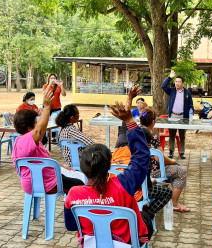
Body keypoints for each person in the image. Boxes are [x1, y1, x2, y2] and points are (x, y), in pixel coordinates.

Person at [64, 86, 153, 246]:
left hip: (92, 243)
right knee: (145, 217)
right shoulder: (124, 184)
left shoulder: (73, 194)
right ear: (109, 165)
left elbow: (71, 226)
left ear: (83, 169)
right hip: (125, 243)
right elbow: (141, 156)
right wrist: (129, 121)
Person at [12, 90, 84, 196]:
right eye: (36, 124)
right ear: (29, 128)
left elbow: (42, 159)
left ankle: (71, 208)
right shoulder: (24, 141)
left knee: (75, 176)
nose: (38, 126)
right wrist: (47, 107)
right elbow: (39, 131)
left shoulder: (27, 141)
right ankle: (73, 211)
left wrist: (60, 165)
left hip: (45, 179)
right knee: (78, 185)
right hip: (42, 183)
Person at [139, 108, 190, 212]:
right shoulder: (151, 136)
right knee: (180, 171)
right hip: (152, 172)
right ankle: (174, 204)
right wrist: (172, 161)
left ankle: (159, 195)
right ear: (153, 122)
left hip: (137, 170)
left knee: (169, 170)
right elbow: (159, 158)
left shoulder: (133, 132)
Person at [161, 70, 194, 159]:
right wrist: (170, 77)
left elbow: (191, 104)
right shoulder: (171, 91)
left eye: (179, 82)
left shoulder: (187, 92)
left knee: (182, 136)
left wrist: (191, 114)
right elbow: (163, 86)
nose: (177, 83)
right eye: (176, 81)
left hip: (183, 116)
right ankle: (171, 152)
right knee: (172, 135)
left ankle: (182, 153)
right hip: (173, 115)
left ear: (183, 83)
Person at [43, 73, 66, 142]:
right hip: (48, 106)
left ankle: (54, 137)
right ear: (49, 79)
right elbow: (44, 93)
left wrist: (61, 86)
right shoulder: (46, 86)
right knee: (47, 121)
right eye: (51, 78)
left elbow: (64, 94)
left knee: (56, 121)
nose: (53, 79)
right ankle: (45, 137)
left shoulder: (58, 86)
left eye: (54, 78)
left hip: (57, 106)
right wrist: (49, 84)